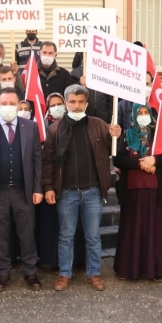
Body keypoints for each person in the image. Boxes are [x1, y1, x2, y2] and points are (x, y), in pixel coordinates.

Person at [42, 85, 122, 292]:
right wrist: (49, 187)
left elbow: (115, 150)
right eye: (72, 101)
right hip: (66, 192)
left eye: (80, 102)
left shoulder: (99, 125)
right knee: (66, 235)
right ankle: (64, 273)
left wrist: (116, 135)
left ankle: (94, 273)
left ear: (86, 104)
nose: (76, 106)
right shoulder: (55, 129)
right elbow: (48, 162)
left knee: (93, 235)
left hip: (93, 191)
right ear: (66, 103)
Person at [0, 88, 43, 292]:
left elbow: (37, 160)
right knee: (0, 234)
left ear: (19, 104)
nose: (9, 107)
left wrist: (38, 188)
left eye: (13, 103)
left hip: (24, 191)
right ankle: (3, 272)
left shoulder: (30, 127)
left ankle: (31, 271)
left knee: (27, 233)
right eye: (5, 103)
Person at [113, 103, 162, 280]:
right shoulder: (126, 135)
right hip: (133, 192)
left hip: (157, 191)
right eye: (139, 113)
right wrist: (140, 164)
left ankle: (155, 270)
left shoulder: (160, 136)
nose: (143, 115)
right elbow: (118, 159)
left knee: (154, 230)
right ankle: (129, 269)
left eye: (145, 112)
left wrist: (154, 160)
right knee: (133, 229)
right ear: (133, 115)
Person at [36, 91, 86, 270]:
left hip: (69, 183)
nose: (56, 107)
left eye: (59, 104)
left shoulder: (71, 124)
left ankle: (76, 259)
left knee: (74, 225)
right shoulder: (41, 127)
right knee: (53, 225)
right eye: (52, 105)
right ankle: (52, 260)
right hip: (49, 182)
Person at [69, 51, 112, 123]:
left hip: (101, 117)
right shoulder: (75, 73)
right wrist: (79, 83)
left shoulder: (105, 73)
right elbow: (69, 92)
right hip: (82, 116)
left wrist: (108, 120)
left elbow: (109, 100)